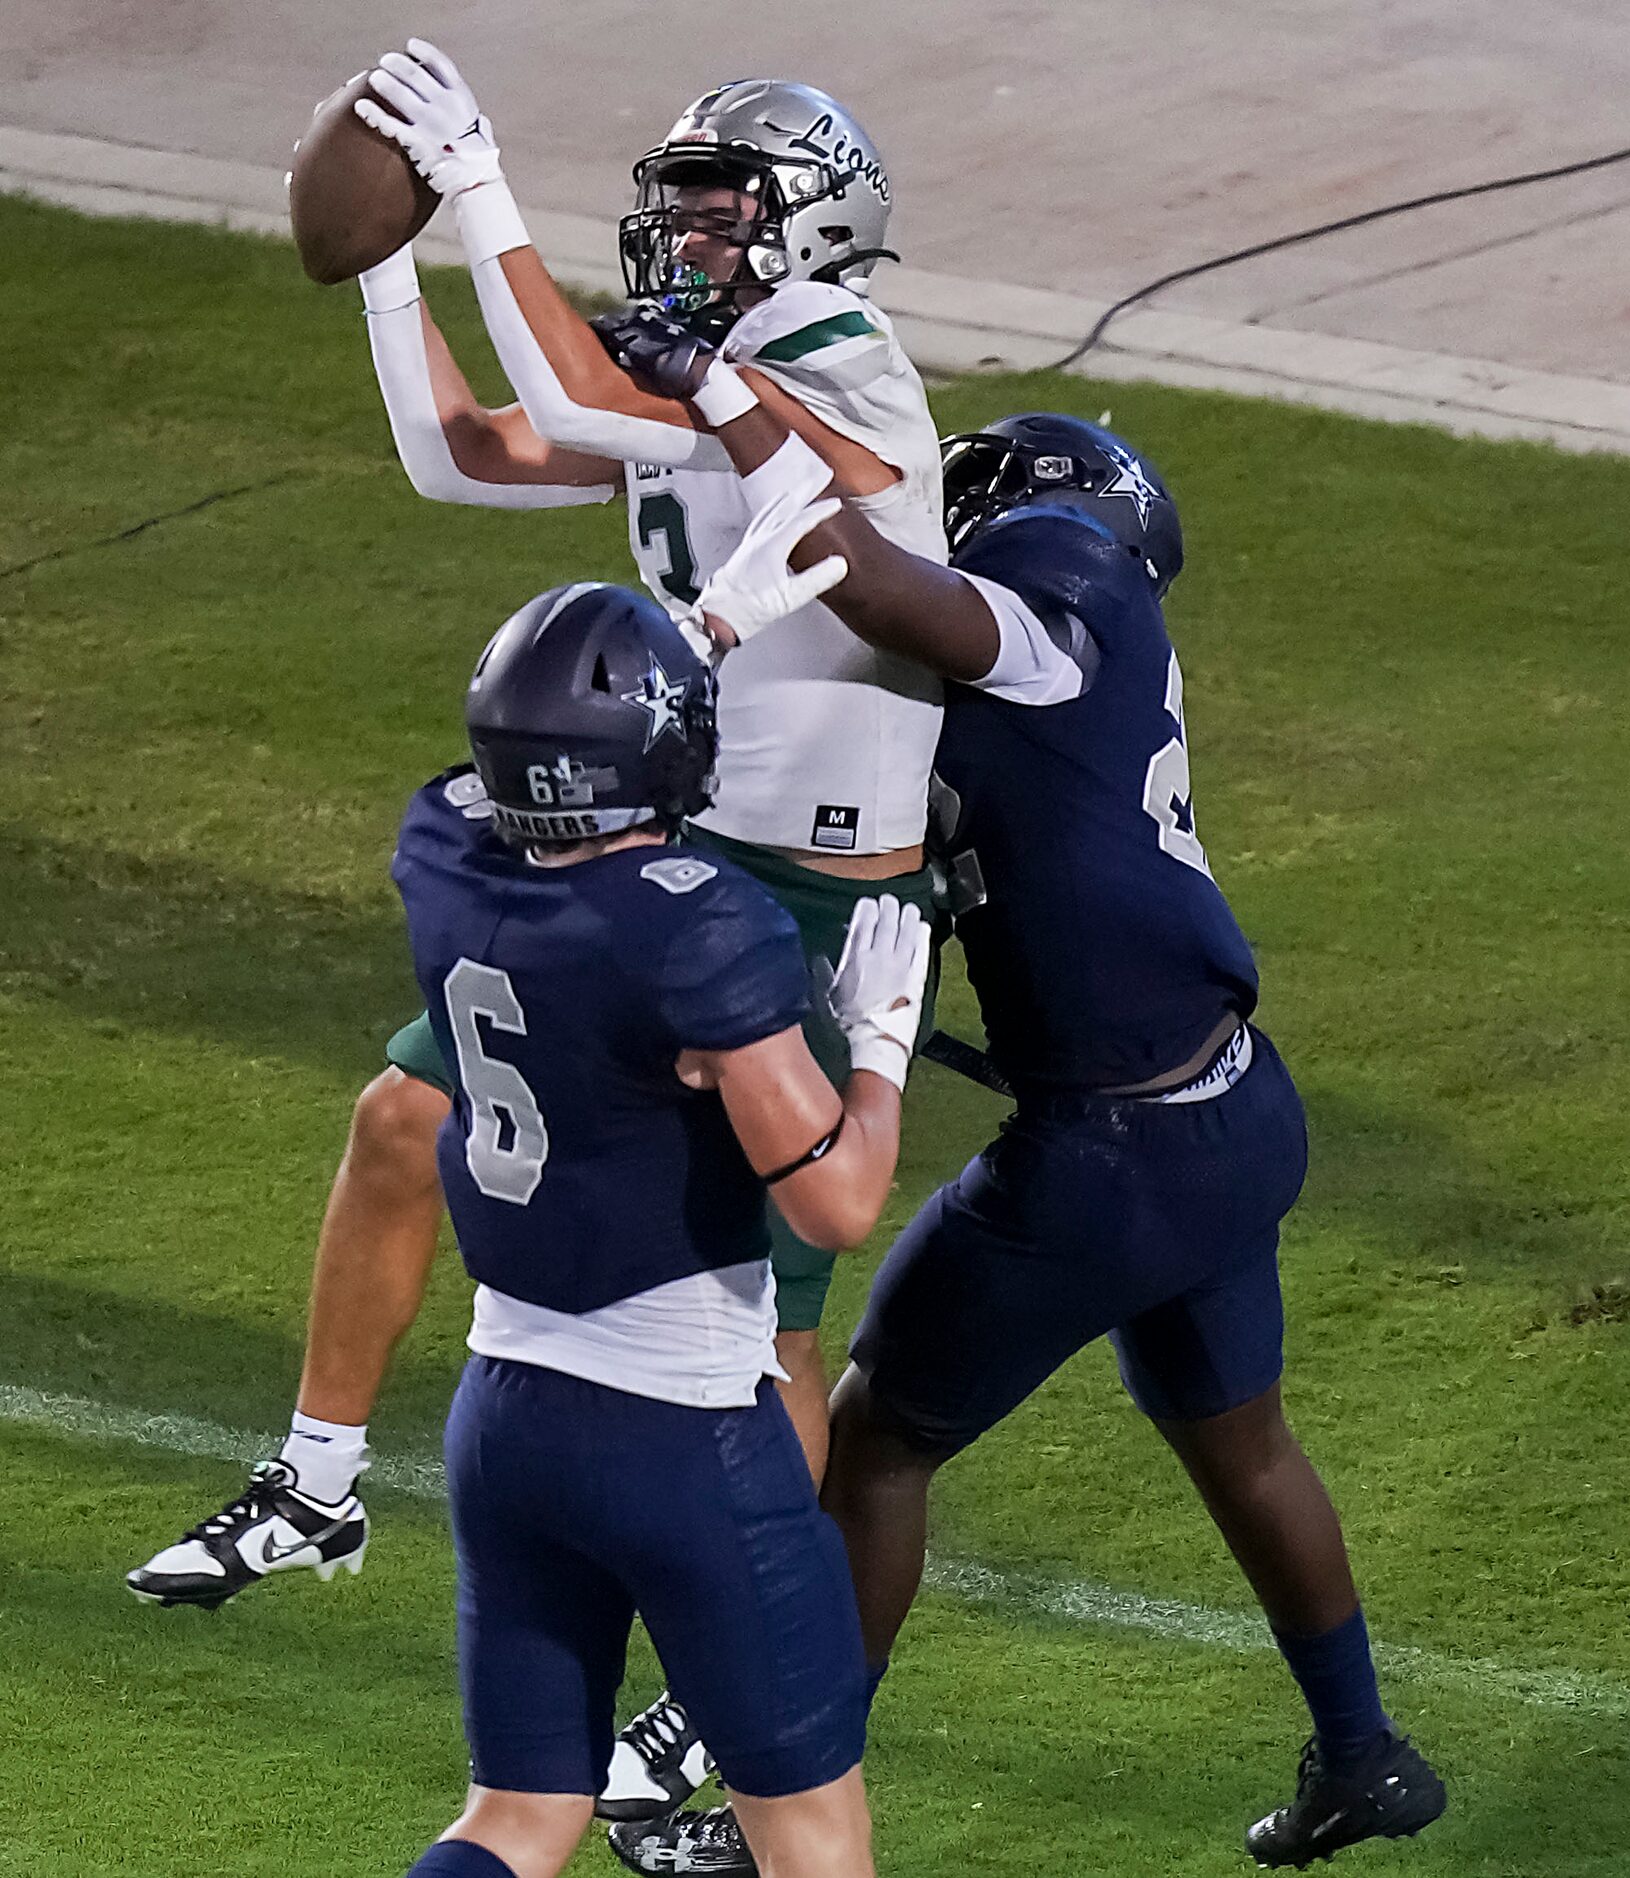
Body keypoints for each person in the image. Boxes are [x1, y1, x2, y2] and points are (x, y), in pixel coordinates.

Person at [129, 48, 944, 1802]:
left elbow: (575, 401)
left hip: (807, 890)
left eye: (725, 206)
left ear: (814, 229)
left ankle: (731, 1673)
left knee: (772, 1317)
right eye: (683, 203)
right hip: (677, 858)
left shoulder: (837, 359)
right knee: (406, 1114)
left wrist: (479, 184)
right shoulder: (693, 380)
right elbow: (466, 451)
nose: (689, 233)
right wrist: (387, 265)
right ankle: (317, 1475)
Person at [592, 326, 1448, 1872]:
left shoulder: (1057, 591)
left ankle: (772, 1811)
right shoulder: (1097, 628)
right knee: (1238, 1440)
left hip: (1107, 1149)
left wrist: (725, 400)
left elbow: (876, 579)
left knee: (870, 1443)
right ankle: (1365, 1751)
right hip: (1232, 1110)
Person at [395, 570, 930, 1878]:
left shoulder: (445, 851)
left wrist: (691, 632)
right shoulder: (699, 931)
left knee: (516, 1818)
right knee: (809, 1837)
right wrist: (880, 1047)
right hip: (682, 1430)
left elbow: (531, 776)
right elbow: (837, 1200)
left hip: (506, 1417)